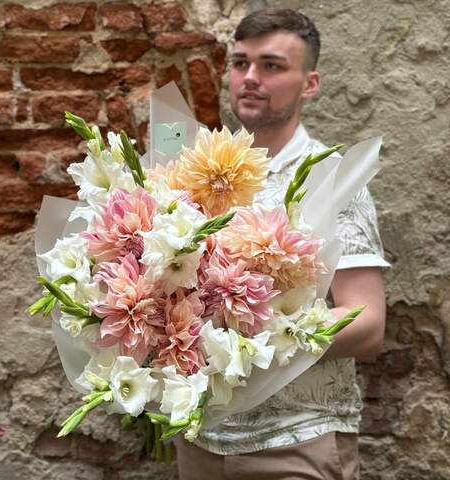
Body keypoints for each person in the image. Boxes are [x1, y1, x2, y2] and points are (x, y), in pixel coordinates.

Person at [176, 8, 389, 480]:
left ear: (309, 84)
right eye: (240, 63)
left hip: (298, 442)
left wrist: (260, 338)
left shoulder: (331, 178)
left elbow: (369, 322)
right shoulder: (195, 174)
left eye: (271, 66)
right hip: (201, 438)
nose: (250, 78)